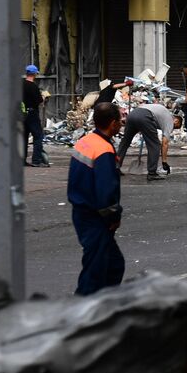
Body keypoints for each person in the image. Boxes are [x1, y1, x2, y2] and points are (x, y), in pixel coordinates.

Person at [68, 101, 125, 295]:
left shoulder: (85, 141)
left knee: (113, 265)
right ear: (112, 123)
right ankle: (83, 312)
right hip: (95, 218)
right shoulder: (104, 150)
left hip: (81, 211)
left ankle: (104, 306)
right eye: (119, 120)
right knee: (95, 271)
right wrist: (113, 217)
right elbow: (105, 191)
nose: (121, 123)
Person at [116, 101, 172, 181]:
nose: (172, 129)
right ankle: (152, 173)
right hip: (145, 116)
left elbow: (141, 107)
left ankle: (115, 167)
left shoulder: (160, 110)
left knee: (125, 142)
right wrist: (164, 161)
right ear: (176, 121)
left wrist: (142, 126)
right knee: (154, 145)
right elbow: (165, 143)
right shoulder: (170, 122)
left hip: (133, 114)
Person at [22, 65, 48, 167]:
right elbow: (39, 101)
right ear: (35, 74)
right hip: (32, 114)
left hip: (22, 114)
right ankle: (36, 160)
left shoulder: (20, 84)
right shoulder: (33, 86)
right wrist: (43, 97)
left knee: (23, 137)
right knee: (38, 136)